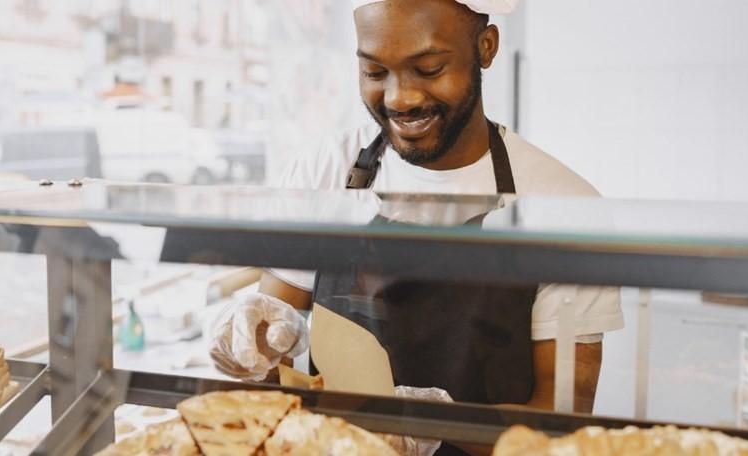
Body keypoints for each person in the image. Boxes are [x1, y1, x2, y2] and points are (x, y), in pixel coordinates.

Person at [210, 0, 623, 453]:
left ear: (485, 48)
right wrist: (250, 344)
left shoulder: (562, 204)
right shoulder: (325, 173)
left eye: (428, 69)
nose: (398, 98)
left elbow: (563, 416)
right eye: (374, 72)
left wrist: (437, 426)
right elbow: (272, 356)